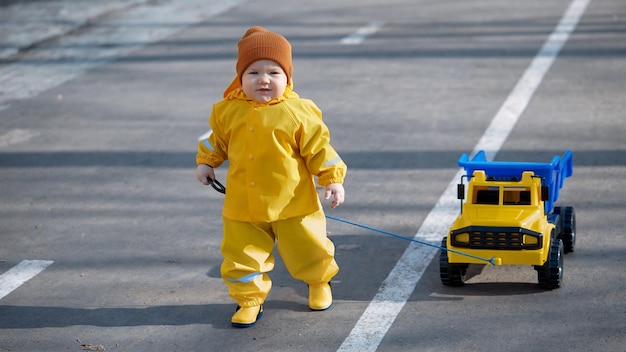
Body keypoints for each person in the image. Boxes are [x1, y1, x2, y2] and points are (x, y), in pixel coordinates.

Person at [195, 26, 347, 328]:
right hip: (244, 205)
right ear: (240, 77)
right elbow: (217, 141)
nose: (263, 79)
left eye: (273, 73)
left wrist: (332, 178)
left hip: (293, 203)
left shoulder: (297, 112)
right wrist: (206, 161)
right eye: (253, 73)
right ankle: (249, 299)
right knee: (242, 256)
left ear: (287, 77)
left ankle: (318, 282)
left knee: (309, 248)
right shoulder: (228, 111)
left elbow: (320, 148)